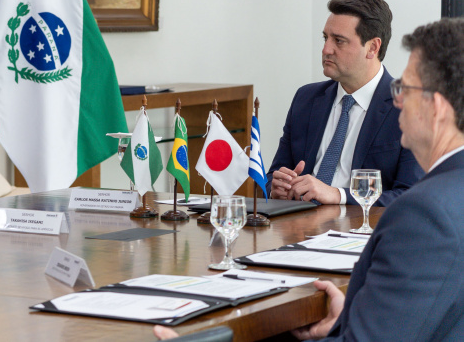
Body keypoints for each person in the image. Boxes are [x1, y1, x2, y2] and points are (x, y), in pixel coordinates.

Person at [156, 17, 464, 341]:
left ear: (438, 108)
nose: (397, 99)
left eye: (405, 88)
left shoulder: (423, 217)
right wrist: (351, 315)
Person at [267, 0, 422, 206]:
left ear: (373, 48)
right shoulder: (306, 98)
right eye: (325, 38)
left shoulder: (411, 107)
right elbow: (272, 177)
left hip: (363, 230)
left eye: (338, 41)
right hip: (300, 226)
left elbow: (410, 197)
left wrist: (338, 195)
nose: (326, 49)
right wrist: (278, 188)